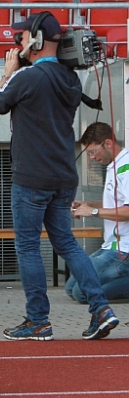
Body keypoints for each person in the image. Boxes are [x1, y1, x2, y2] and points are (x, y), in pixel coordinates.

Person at [0, 12, 119, 341]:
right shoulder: (70, 79)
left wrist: (7, 73)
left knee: (28, 247)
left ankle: (38, 320)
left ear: (34, 40)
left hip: (32, 177)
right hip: (63, 176)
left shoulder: (27, 77)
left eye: (20, 38)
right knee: (67, 244)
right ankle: (101, 308)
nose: (16, 43)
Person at [68, 122, 129, 303]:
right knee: (71, 288)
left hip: (123, 249)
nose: (92, 157)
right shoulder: (113, 166)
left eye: (93, 152)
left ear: (108, 143)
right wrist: (88, 204)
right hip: (110, 245)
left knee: (82, 293)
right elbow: (116, 203)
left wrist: (93, 211)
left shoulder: (126, 168)